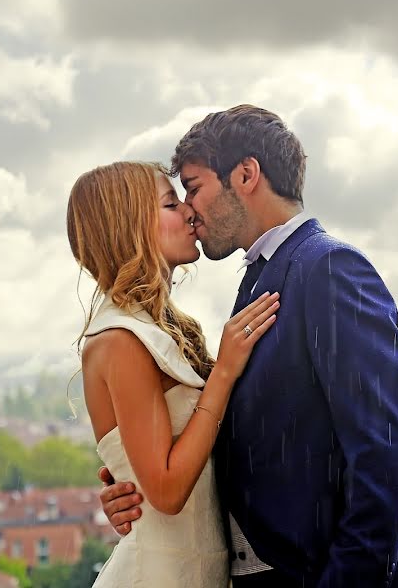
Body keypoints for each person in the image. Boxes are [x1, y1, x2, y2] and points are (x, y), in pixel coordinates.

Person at [99, 105, 398, 587]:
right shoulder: (260, 276)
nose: (190, 208)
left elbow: (385, 453)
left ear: (246, 175)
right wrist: (135, 479)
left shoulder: (328, 269)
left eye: (194, 186)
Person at [67, 161, 280, 587]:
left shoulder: (160, 328)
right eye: (169, 203)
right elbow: (165, 492)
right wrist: (223, 373)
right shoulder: (119, 340)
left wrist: (125, 484)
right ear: (130, 228)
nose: (188, 211)